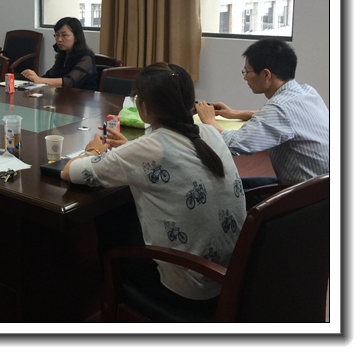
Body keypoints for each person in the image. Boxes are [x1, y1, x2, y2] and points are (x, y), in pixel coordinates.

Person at [62, 63, 246, 310]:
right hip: (233, 277)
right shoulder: (210, 132)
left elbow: (69, 171)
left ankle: (108, 298)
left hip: (190, 291)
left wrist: (93, 150)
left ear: (144, 107)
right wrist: (131, 149)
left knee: (110, 218)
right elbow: (169, 155)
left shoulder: (148, 149)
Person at [195, 38, 329, 188]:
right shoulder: (307, 92)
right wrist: (236, 113)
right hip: (324, 187)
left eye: (247, 71)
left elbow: (234, 144)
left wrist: (209, 121)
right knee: (235, 185)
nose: (245, 77)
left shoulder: (279, 108)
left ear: (266, 75)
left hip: (306, 196)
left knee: (229, 188)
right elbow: (284, 117)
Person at [21, 17, 98, 90]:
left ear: (76, 37)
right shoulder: (63, 55)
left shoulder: (86, 58)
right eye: (57, 35)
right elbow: (49, 76)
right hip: (64, 96)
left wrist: (39, 80)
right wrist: (32, 79)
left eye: (64, 35)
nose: (59, 39)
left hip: (83, 98)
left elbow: (69, 82)